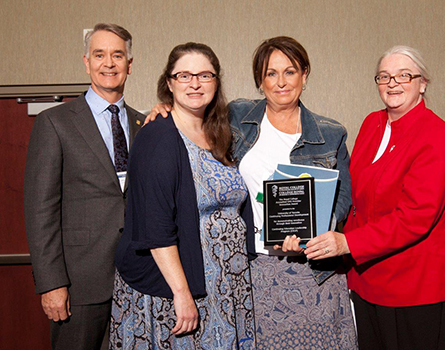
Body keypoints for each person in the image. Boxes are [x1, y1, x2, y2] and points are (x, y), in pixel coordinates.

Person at [149, 36, 357, 350]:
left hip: (315, 273)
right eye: (271, 73)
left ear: (305, 74)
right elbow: (193, 121)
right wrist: (167, 106)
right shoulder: (237, 118)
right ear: (260, 80)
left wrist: (317, 229)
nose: (281, 82)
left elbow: (342, 196)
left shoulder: (330, 132)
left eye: (290, 71)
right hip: (253, 269)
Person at [305, 46, 445, 350]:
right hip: (369, 280)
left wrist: (348, 243)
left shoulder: (435, 135)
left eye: (404, 75)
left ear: (422, 83)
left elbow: (415, 217)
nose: (393, 83)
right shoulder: (371, 124)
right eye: (385, 76)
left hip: (416, 286)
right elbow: (351, 193)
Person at [110, 42, 256, 349]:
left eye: (205, 75)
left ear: (216, 82)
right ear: (169, 83)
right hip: (182, 285)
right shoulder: (158, 135)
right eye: (184, 75)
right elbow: (156, 225)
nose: (195, 83)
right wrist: (181, 293)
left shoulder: (219, 133)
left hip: (226, 284)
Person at [24, 23, 144, 350]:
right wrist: (51, 284)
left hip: (137, 280)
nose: (109, 63)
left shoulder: (143, 123)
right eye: (100, 55)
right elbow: (40, 211)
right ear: (86, 61)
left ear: (129, 65)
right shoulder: (55, 122)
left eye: (117, 55)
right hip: (80, 283)